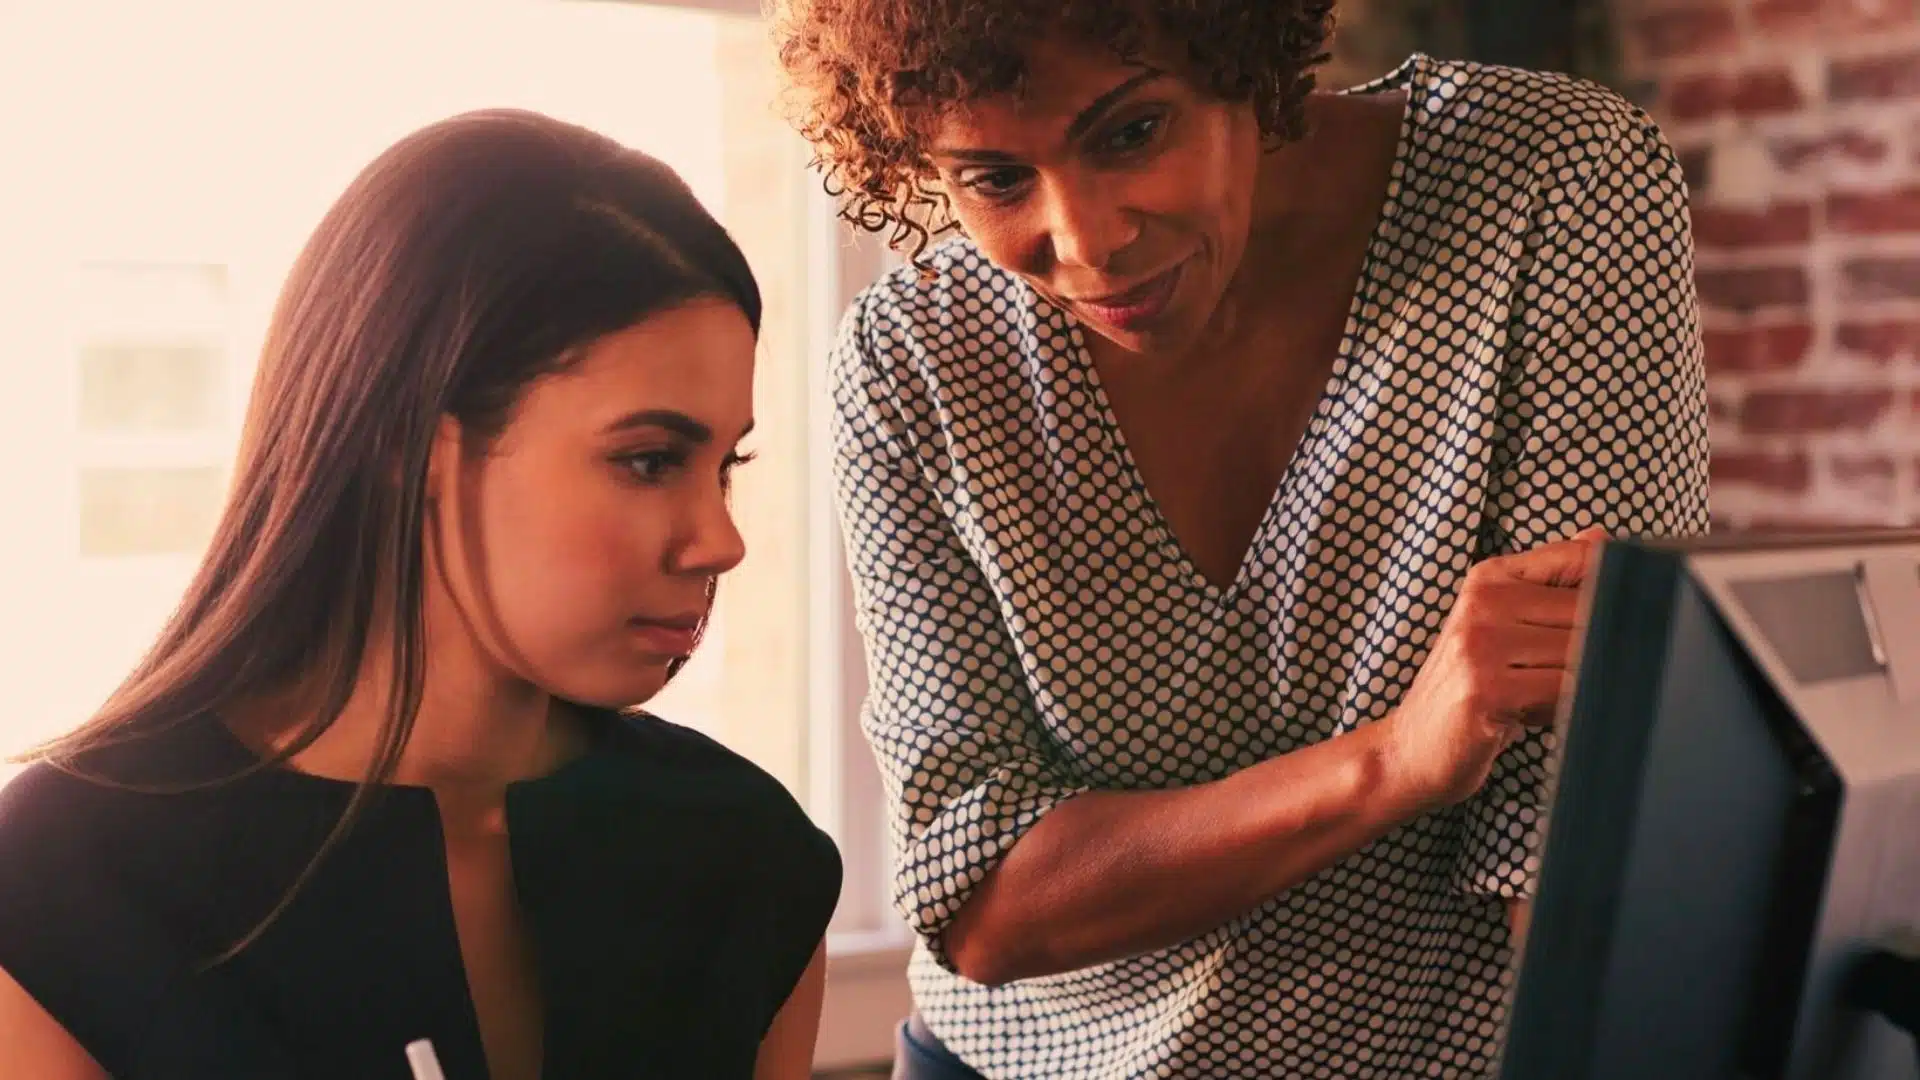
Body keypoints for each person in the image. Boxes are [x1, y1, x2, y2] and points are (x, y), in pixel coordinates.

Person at [774, 0, 1708, 1076]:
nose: (1089, 242)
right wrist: (1392, 762)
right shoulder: (912, 367)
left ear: (1247, 54)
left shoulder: (1549, 181)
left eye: (1132, 133)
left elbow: (1572, 826)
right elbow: (981, 900)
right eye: (994, 179)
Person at [0, 109, 842, 1080]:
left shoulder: (750, 857)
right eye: (649, 461)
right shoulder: (69, 881)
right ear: (408, 447)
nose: (722, 540)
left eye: (724, 466)